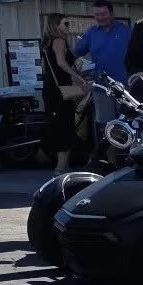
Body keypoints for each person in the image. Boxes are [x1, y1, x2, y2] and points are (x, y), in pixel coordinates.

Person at [72, 0, 131, 151]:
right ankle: (107, 161)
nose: (100, 17)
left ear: (111, 13)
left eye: (103, 14)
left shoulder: (126, 31)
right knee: (105, 126)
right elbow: (76, 53)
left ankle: (126, 159)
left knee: (126, 123)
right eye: (97, 15)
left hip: (125, 87)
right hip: (101, 88)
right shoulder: (90, 33)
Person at [39, 19, 90, 174]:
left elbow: (44, 68)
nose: (68, 27)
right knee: (65, 127)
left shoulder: (46, 44)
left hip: (51, 90)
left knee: (60, 126)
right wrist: (79, 78)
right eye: (65, 23)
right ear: (55, 26)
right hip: (60, 90)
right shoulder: (59, 40)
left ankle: (63, 165)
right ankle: (61, 167)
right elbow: (61, 63)